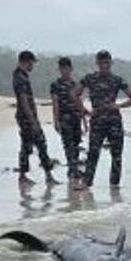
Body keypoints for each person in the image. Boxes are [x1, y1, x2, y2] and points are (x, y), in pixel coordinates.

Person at [77, 50, 131, 188]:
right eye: (102, 62)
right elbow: (75, 94)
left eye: (107, 62)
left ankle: (114, 187)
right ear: (97, 63)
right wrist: (84, 111)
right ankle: (86, 182)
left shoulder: (117, 80)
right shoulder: (90, 78)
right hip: (97, 121)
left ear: (111, 63)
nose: (104, 65)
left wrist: (119, 105)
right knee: (93, 153)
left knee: (116, 155)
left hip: (114, 122)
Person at [13, 50, 54, 186]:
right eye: (31, 63)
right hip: (26, 117)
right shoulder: (20, 78)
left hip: (26, 116)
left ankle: (34, 175)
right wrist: (32, 120)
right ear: (24, 62)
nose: (32, 66)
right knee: (36, 144)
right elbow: (23, 100)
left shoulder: (21, 76)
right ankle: (38, 176)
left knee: (31, 145)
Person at [51, 56, 89, 188]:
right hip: (64, 118)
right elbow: (55, 103)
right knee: (68, 145)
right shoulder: (56, 85)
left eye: (67, 68)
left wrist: (84, 121)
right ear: (59, 69)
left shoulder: (75, 85)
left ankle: (73, 169)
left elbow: (79, 103)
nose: (65, 71)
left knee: (76, 144)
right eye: (62, 68)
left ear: (71, 69)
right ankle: (73, 170)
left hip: (76, 118)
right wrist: (56, 121)